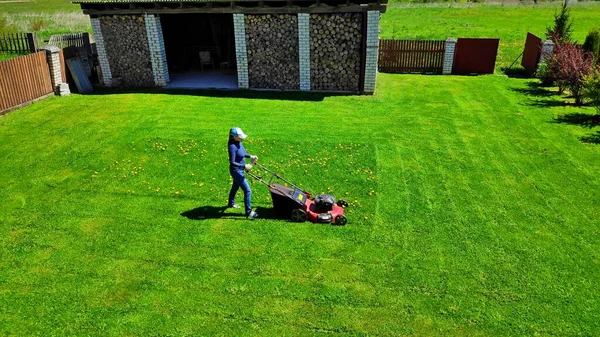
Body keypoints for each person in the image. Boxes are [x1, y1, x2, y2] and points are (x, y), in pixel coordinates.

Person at [227, 127, 258, 218]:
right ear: (233, 136)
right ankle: (248, 212)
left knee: (235, 187)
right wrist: (245, 166)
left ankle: (230, 203)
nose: (242, 138)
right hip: (236, 171)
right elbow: (232, 162)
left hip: (240, 170)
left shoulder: (239, 142)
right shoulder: (232, 147)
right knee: (247, 190)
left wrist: (251, 156)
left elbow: (242, 153)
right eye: (239, 137)